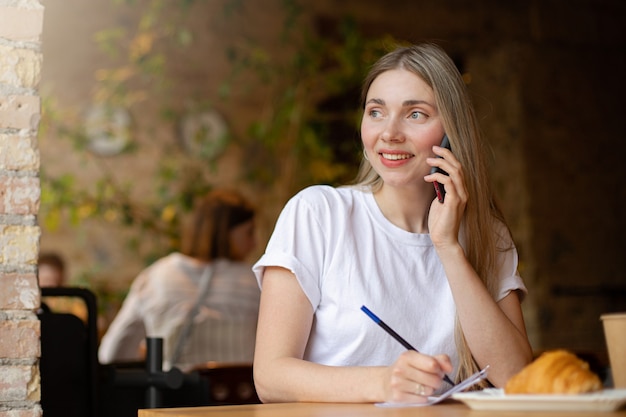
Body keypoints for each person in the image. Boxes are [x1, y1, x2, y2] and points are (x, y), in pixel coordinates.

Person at [251, 43, 533, 404]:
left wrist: (448, 248)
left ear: (452, 131)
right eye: (376, 112)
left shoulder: (487, 234)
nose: (390, 133)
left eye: (416, 114)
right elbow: (271, 378)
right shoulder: (317, 214)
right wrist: (384, 383)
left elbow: (516, 377)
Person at [98, 188, 260, 371]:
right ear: (225, 232)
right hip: (241, 396)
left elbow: (112, 353)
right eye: (249, 232)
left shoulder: (154, 277)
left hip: (172, 396)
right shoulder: (255, 281)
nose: (254, 243)